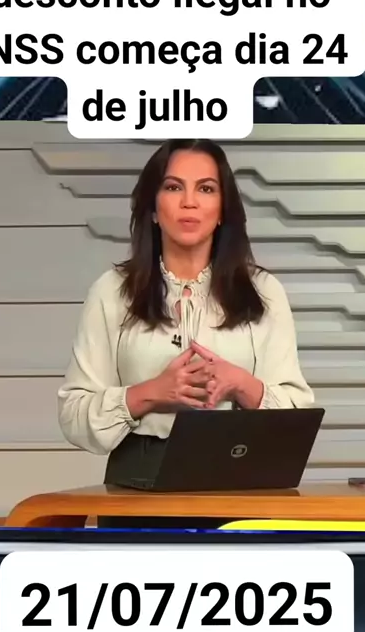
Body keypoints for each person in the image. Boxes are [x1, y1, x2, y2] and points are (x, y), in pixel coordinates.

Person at [58, 138, 314, 529]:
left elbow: (297, 417)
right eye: (174, 187)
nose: (189, 202)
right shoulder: (111, 292)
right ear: (153, 208)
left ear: (223, 209)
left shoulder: (264, 293)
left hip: (241, 485)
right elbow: (74, 415)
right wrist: (151, 392)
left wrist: (241, 384)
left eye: (206, 189)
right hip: (137, 487)